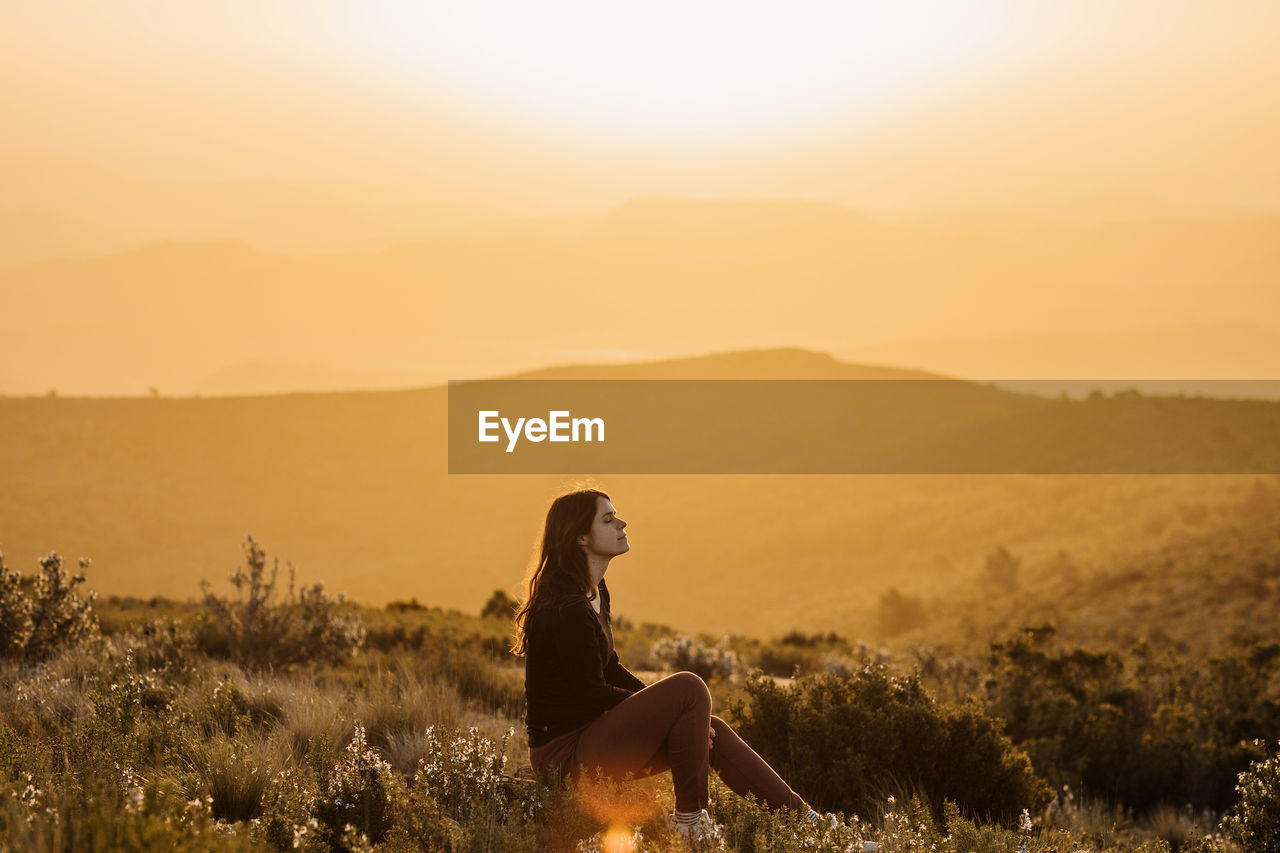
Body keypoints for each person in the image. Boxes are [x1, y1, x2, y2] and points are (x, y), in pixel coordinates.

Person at [512, 488, 829, 847]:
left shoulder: (595, 590)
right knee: (689, 688)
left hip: (595, 741)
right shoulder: (565, 607)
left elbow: (610, 667)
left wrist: (674, 716)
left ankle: (811, 825)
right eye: (607, 518)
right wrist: (667, 710)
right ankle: (690, 825)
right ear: (581, 537)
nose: (622, 522)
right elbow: (590, 693)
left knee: (712, 730)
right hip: (564, 758)